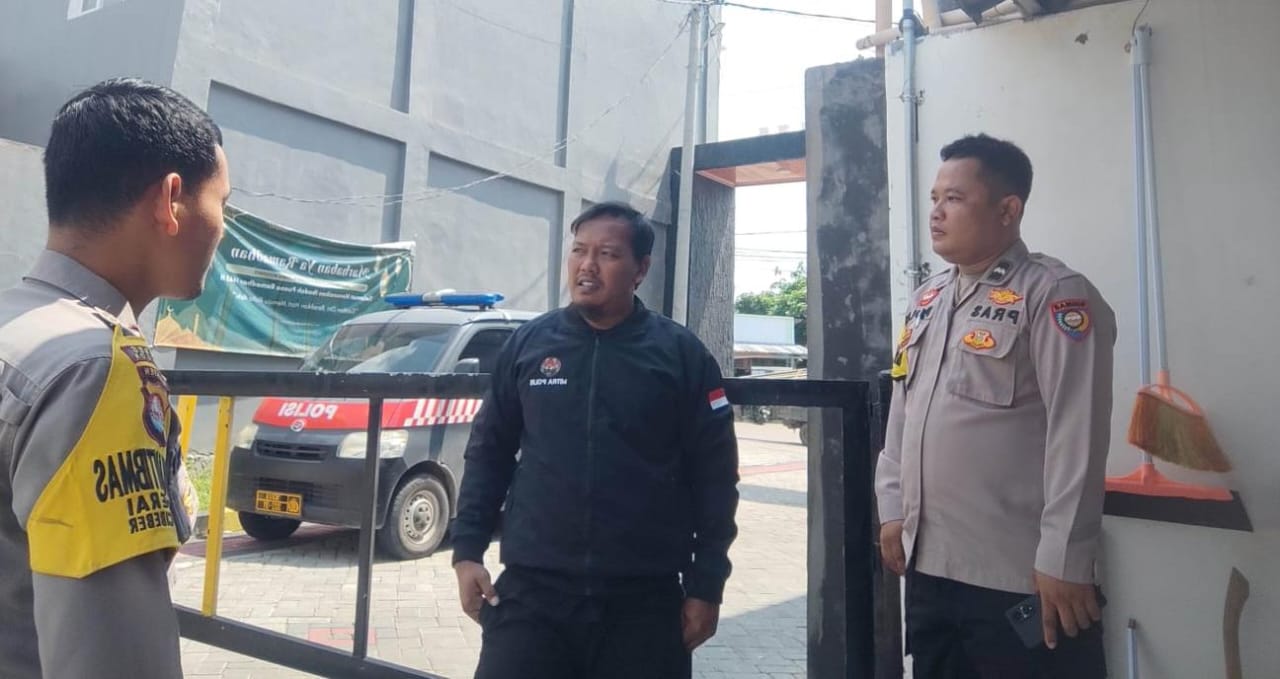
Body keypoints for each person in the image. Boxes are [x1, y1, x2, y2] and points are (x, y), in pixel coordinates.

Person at [451, 201, 740, 679]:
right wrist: (467, 553)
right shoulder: (529, 345)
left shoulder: (680, 355)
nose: (587, 265)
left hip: (643, 603)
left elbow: (716, 478)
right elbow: (488, 453)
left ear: (640, 269)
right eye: (579, 250)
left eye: (607, 254)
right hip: (532, 595)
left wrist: (707, 584)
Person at [0, 77, 229, 678]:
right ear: (171, 200)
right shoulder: (97, 371)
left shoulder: (16, 329)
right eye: (223, 203)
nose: (222, 226)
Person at [876, 134, 1116, 678]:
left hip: (1020, 576)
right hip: (931, 569)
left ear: (1008, 210)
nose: (936, 212)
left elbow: (1078, 432)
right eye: (934, 198)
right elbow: (902, 413)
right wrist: (892, 508)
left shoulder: (1054, 293)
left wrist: (1064, 557)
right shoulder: (927, 300)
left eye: (954, 198)